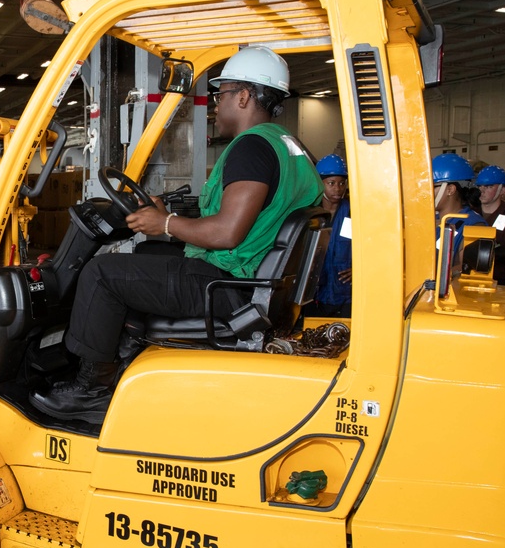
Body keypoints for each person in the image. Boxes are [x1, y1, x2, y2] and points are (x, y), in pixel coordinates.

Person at [29, 46, 323, 423]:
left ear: (245, 96)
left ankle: (90, 390)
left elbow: (228, 232)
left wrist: (164, 223)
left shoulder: (252, 148)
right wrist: (166, 211)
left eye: (222, 93)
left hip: (229, 285)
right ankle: (127, 357)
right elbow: (252, 212)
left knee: (102, 275)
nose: (217, 103)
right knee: (148, 255)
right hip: (256, 281)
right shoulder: (292, 147)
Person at [305, 154, 352, 317]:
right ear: (320, 183)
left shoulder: (354, 213)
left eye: (342, 183)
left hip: (346, 295)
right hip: (315, 295)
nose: (338, 188)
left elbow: (372, 246)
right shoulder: (310, 215)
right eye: (331, 183)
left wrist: (359, 269)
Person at [432, 153, 486, 269]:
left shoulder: (474, 227)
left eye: (432, 186)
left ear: (450, 190)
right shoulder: (434, 221)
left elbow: (468, 276)